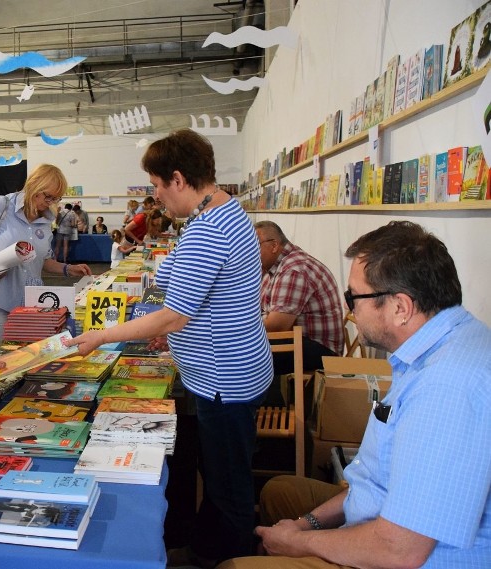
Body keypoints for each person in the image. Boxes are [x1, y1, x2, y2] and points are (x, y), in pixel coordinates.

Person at [221, 221, 491, 569]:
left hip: (395, 553)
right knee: (278, 493)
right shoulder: (436, 344)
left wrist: (300, 542)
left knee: (233, 566)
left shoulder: (447, 388)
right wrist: (308, 524)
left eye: (353, 297)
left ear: (400, 307)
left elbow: (400, 551)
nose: (350, 309)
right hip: (376, 513)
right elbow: (377, 479)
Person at [66, 129, 273, 566]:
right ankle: (207, 549)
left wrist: (103, 335)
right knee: (218, 474)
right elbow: (202, 301)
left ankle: (235, 558)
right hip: (231, 369)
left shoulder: (208, 229)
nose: (158, 197)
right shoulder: (224, 212)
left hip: (224, 379)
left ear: (178, 178)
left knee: (228, 483)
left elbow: (176, 313)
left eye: (159, 186)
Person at [0, 164, 92, 344]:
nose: (50, 202)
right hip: (1, 298)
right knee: (4, 357)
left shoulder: (47, 220)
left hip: (33, 303)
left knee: (30, 357)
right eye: (48, 196)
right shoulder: (3, 205)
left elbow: (44, 261)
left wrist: (70, 269)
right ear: (35, 186)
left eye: (55, 198)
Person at [255, 221, 344, 374]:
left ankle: (273, 398)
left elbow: (277, 326)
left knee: (247, 357)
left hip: (321, 350)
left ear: (274, 245)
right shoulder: (275, 267)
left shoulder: (294, 269)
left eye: (252, 246)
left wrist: (238, 330)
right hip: (301, 341)